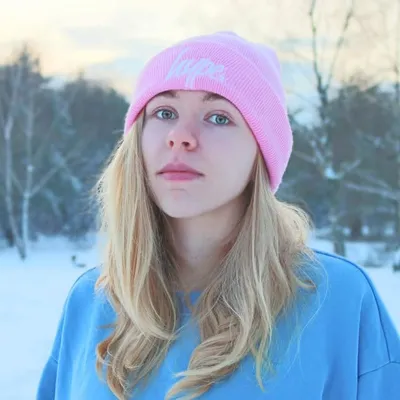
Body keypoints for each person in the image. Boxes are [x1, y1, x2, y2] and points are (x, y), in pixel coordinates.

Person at [37, 32, 400, 400]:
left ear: (261, 153)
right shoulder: (91, 301)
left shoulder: (338, 300)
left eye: (218, 117)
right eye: (164, 112)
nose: (180, 136)